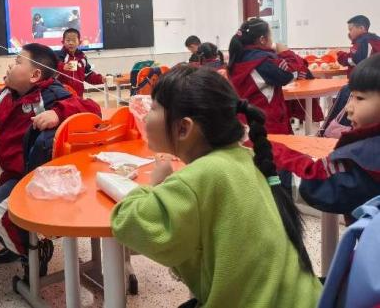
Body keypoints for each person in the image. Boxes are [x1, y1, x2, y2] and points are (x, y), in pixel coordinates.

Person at [111, 67, 321, 307]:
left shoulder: (201, 176)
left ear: (183, 128)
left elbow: (127, 223)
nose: (146, 116)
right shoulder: (244, 156)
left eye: (154, 108)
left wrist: (155, 185)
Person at [0, 43, 101, 275]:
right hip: (12, 171)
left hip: (33, 175)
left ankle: (34, 252)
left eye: (18, 62)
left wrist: (57, 113)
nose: (11, 65)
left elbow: (91, 107)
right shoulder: (7, 94)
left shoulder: (49, 94)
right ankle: (20, 244)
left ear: (35, 75)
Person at [274, 54, 380, 223]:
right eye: (351, 97)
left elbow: (317, 186)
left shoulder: (365, 157)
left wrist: (280, 154)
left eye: (359, 98)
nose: (348, 108)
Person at [227, 18, 306, 134]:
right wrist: (285, 52)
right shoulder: (263, 61)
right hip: (266, 123)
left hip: (245, 121)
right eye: (270, 36)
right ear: (262, 39)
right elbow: (289, 75)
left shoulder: (238, 57)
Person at [323, 15, 380, 131]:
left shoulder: (364, 40)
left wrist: (340, 55)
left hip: (363, 83)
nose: (349, 33)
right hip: (372, 84)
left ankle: (330, 131)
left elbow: (357, 60)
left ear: (362, 28)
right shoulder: (371, 40)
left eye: (351, 29)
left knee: (344, 102)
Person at [56, 28, 104, 97]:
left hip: (79, 95)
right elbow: (51, 69)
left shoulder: (82, 58)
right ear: (63, 42)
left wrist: (101, 79)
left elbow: (88, 75)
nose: (71, 43)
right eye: (68, 40)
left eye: (74, 40)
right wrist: (62, 66)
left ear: (79, 42)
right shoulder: (59, 56)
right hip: (62, 95)